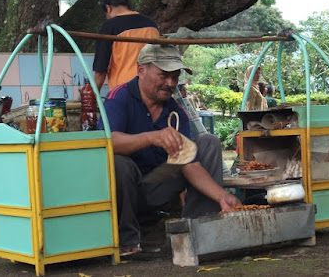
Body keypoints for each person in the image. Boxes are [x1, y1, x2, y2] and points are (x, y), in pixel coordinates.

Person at [103, 44, 241, 255]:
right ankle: (127, 240)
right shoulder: (118, 98)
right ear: (141, 70)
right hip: (123, 191)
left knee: (208, 142)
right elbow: (107, 142)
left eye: (175, 77)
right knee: (120, 162)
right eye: (164, 75)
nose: (170, 83)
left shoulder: (176, 111)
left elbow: (189, 164)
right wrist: (151, 137)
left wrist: (223, 196)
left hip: (157, 185)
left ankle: (197, 229)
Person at [93, 0, 160, 92]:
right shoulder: (151, 24)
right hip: (153, 89)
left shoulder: (110, 26)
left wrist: (90, 99)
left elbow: (100, 72)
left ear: (108, 8)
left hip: (125, 92)